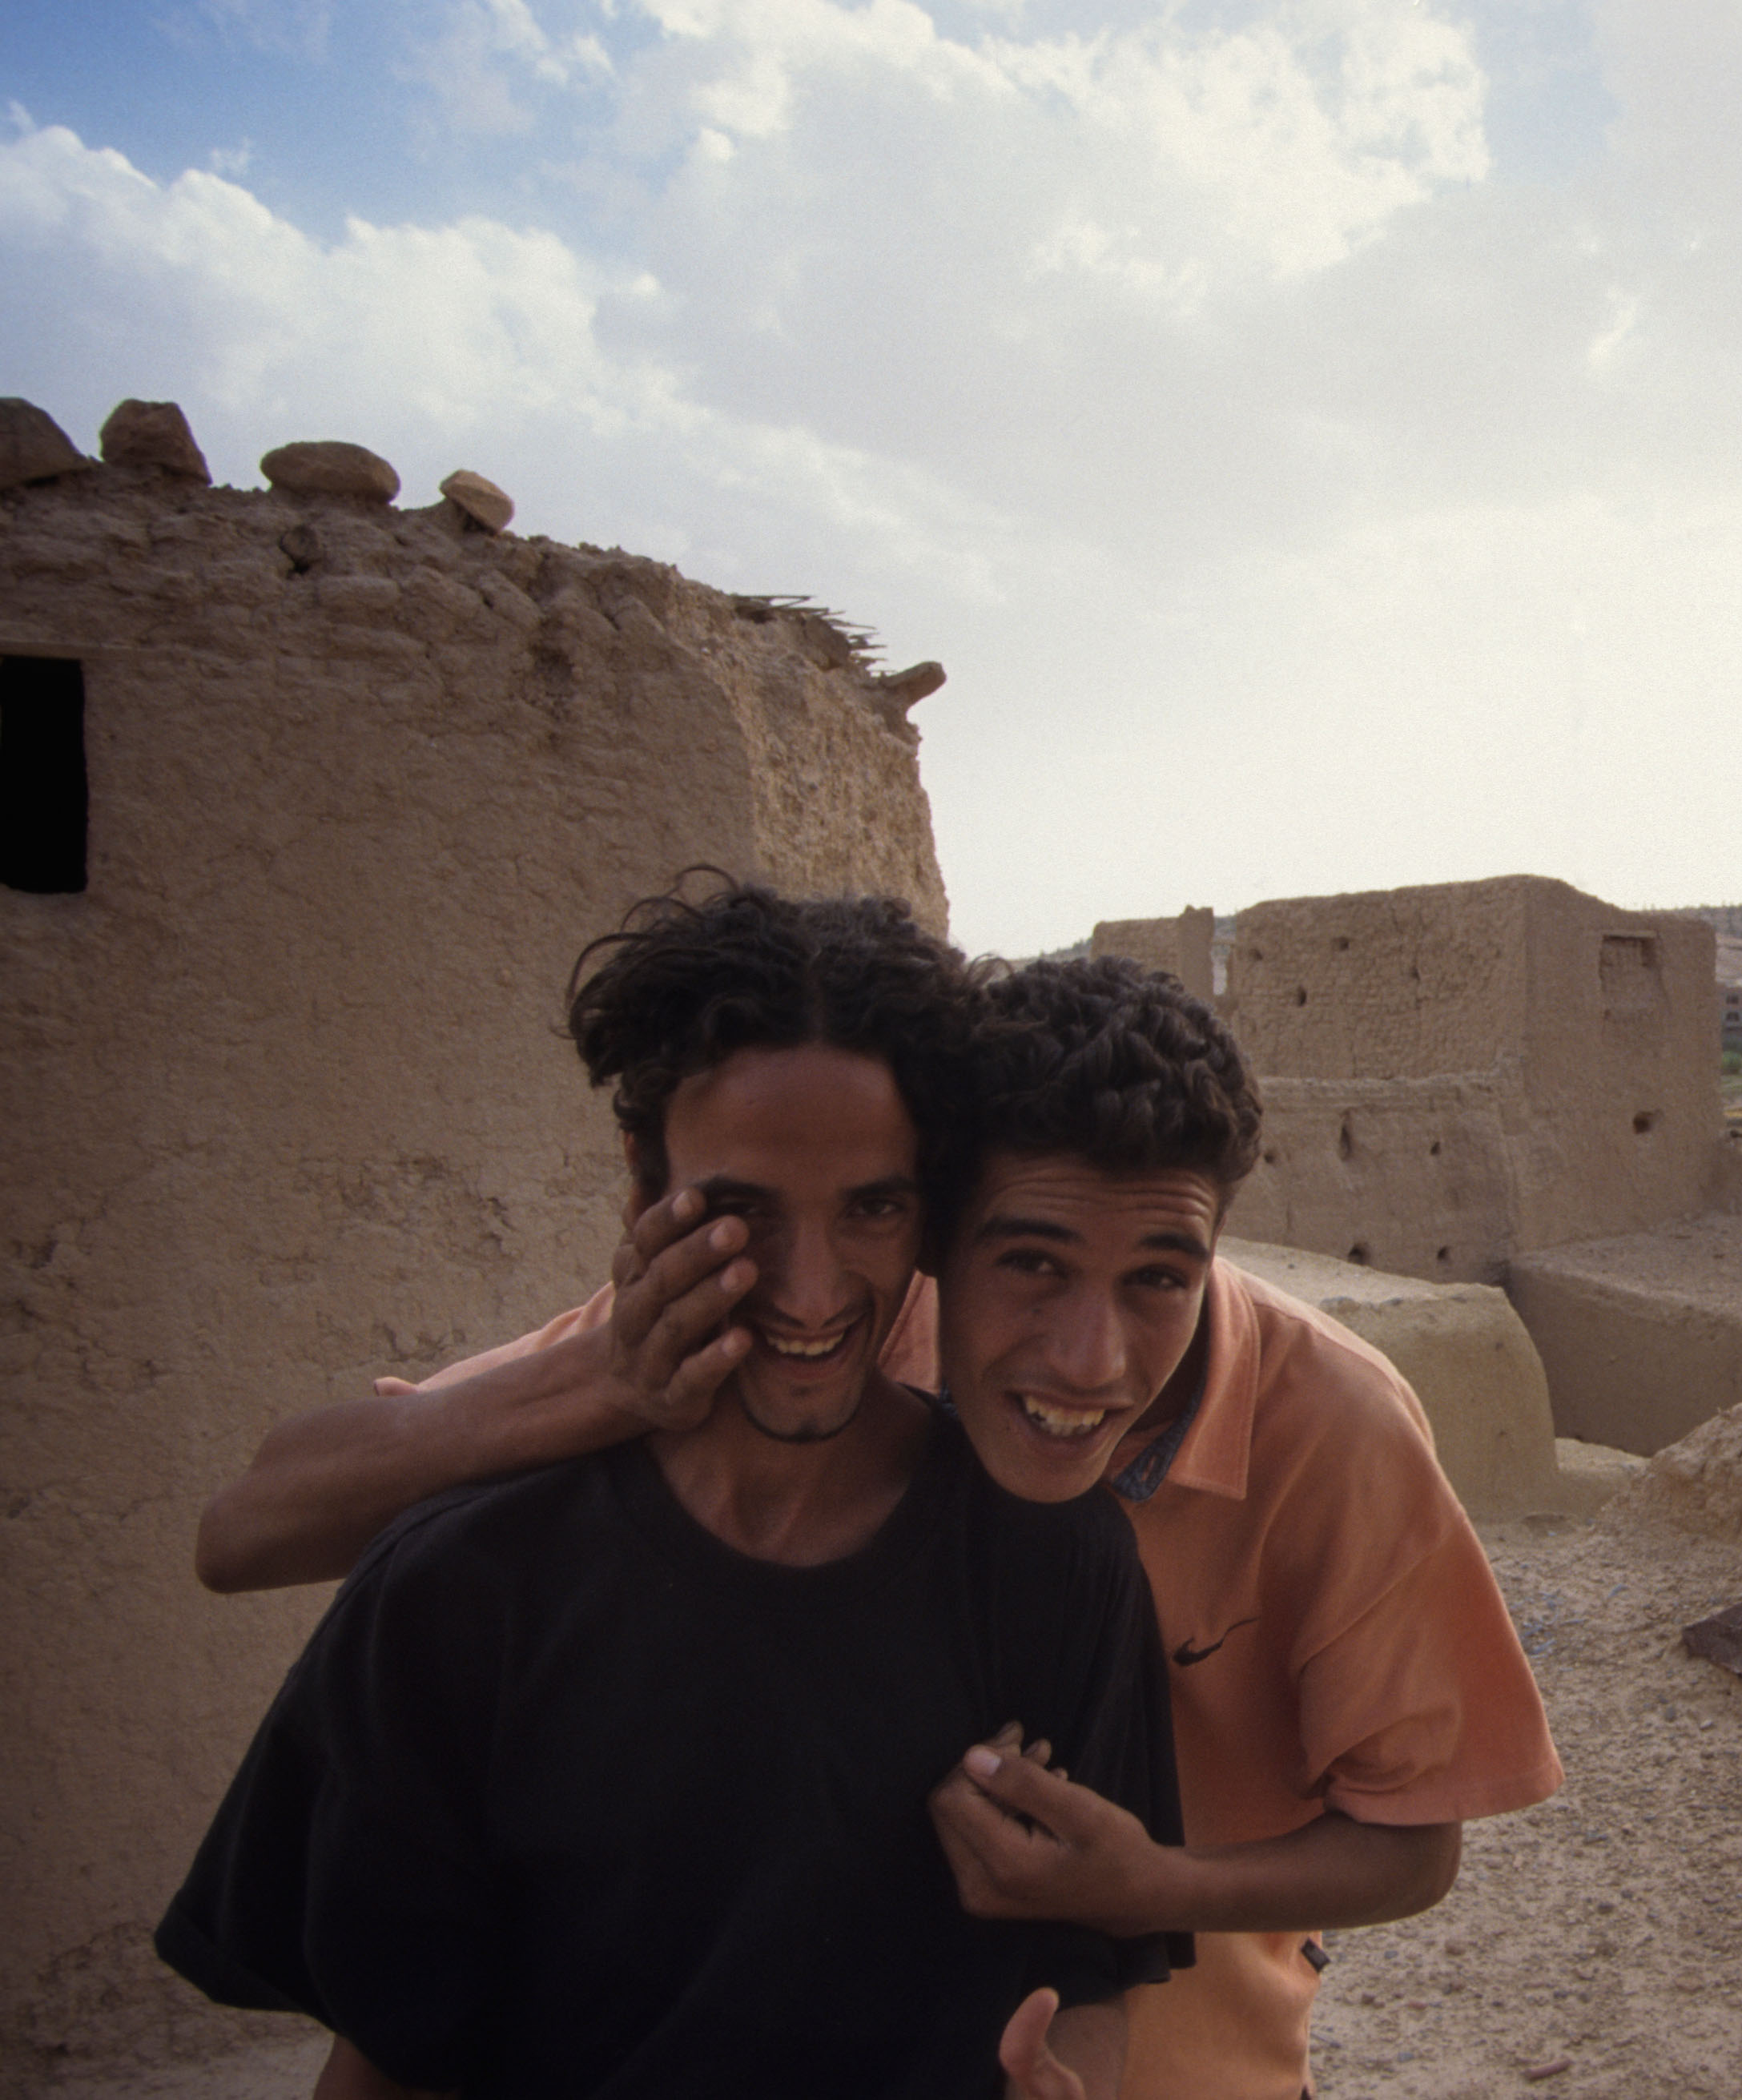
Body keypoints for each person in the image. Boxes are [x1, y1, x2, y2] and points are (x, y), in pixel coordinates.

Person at [195, 947, 1563, 2100]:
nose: (1088, 1357)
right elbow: (247, 1534)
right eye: (1025, 1262)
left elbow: (1412, 1837)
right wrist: (600, 1380)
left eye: (1159, 1278)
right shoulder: (821, 1330)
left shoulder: (1337, 1428)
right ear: (935, 1243)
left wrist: (1149, 1883)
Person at [162, 886, 1186, 2099]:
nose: (811, 1294)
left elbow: (1087, 1976)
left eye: (872, 1204)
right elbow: (392, 2050)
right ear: (640, 1182)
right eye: (741, 1208)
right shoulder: (463, 1584)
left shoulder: (1049, 1558)